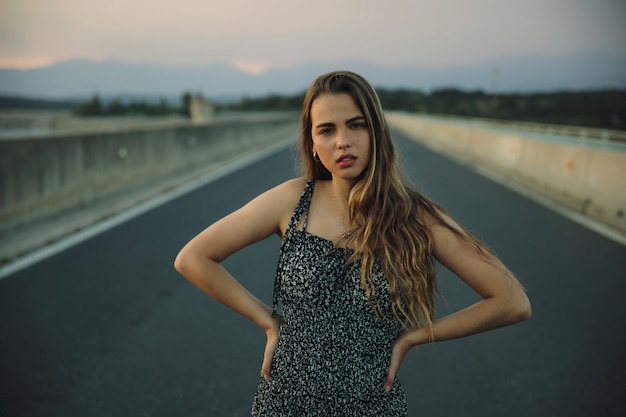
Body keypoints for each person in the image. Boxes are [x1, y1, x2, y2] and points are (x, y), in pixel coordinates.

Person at [174, 70, 532, 416]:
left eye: (356, 125)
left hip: (372, 407)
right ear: (313, 144)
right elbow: (193, 258)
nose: (342, 141)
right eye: (327, 130)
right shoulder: (292, 202)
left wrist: (414, 337)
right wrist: (269, 322)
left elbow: (512, 301)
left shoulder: (416, 216)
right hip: (283, 404)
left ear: (375, 131)